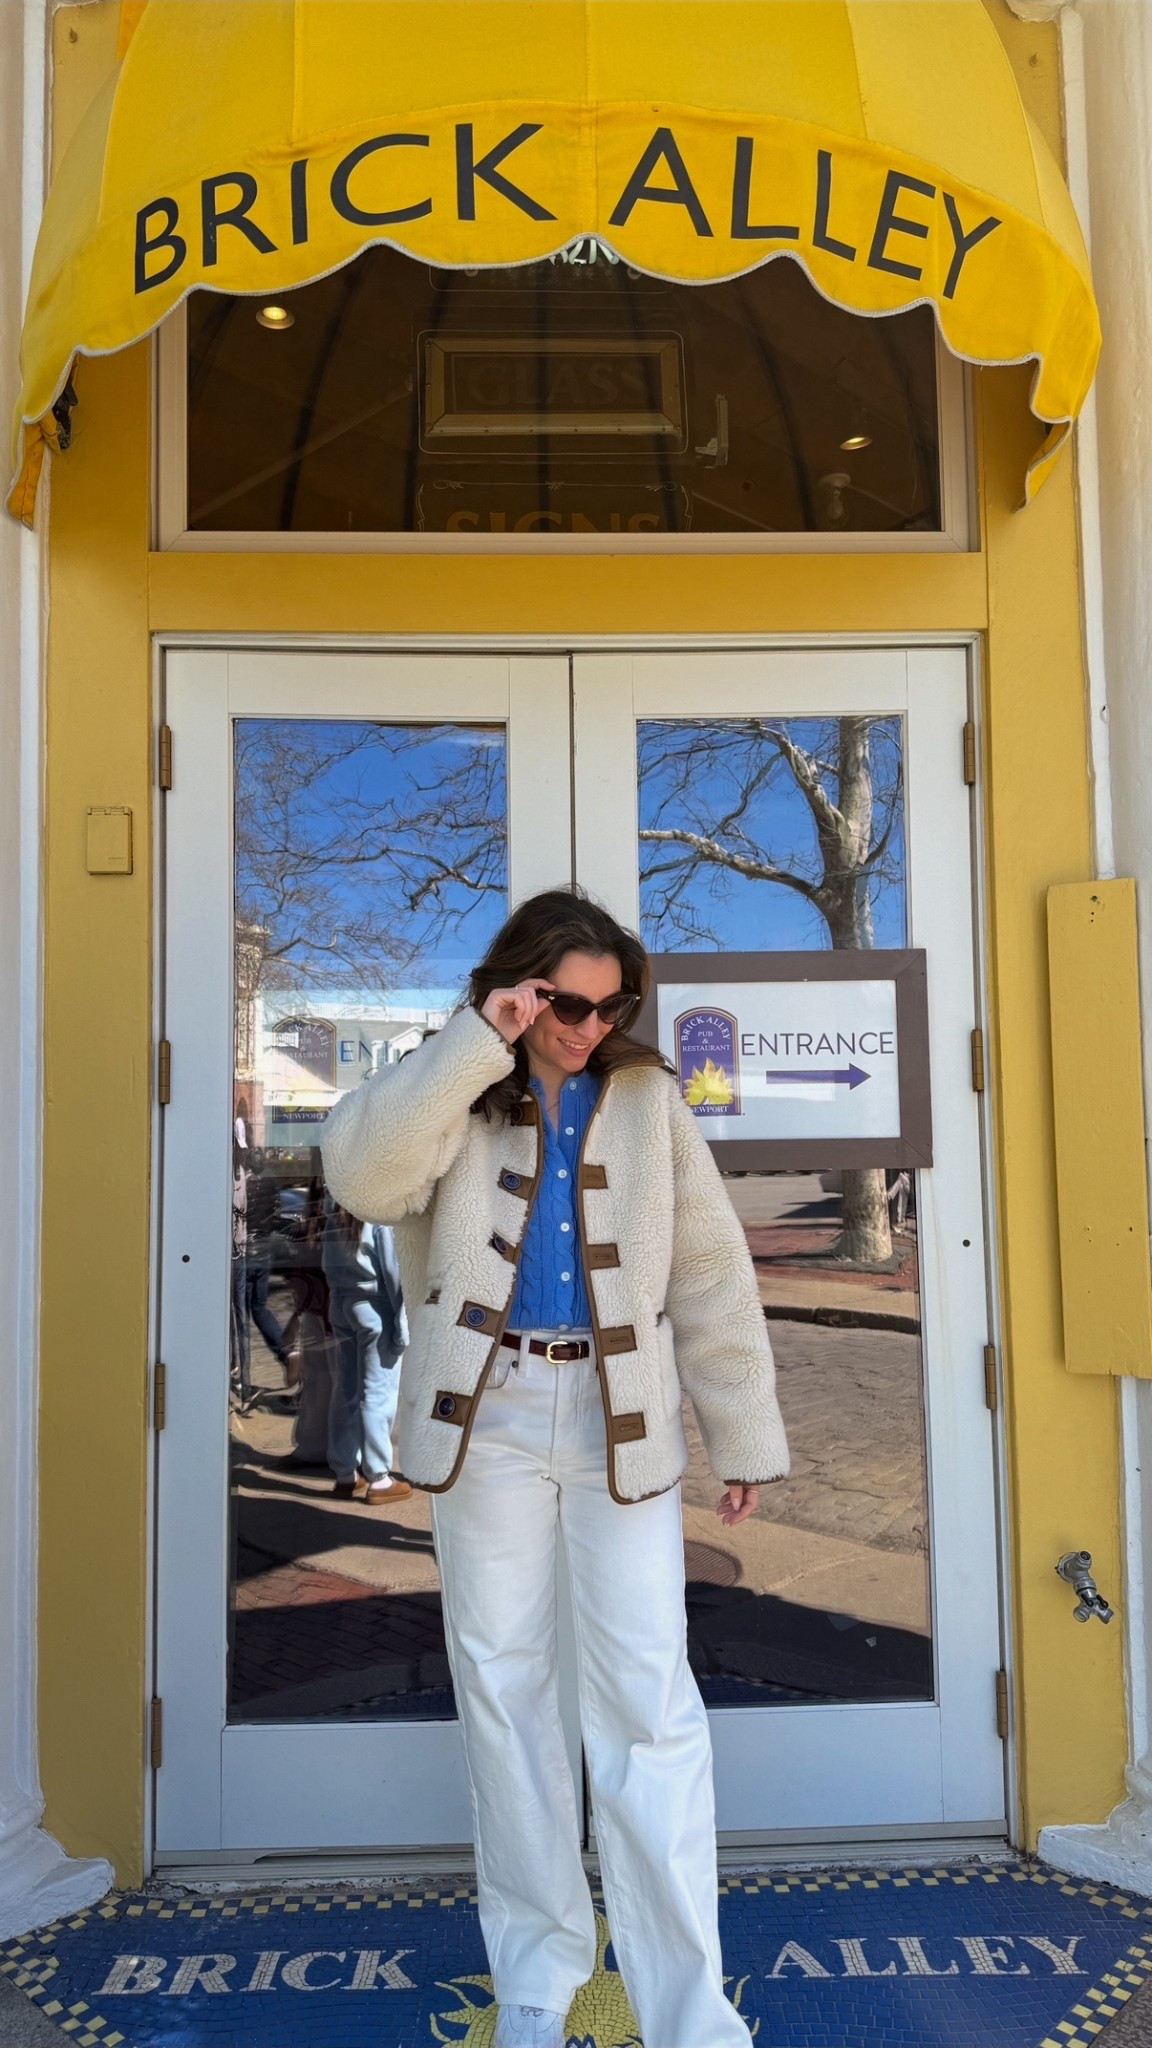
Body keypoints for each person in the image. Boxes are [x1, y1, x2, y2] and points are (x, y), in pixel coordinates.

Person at [322, 888, 789, 2048]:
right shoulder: (456, 1090)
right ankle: (539, 1975)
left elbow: (712, 1271)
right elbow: (363, 1176)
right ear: (522, 987)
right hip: (487, 1415)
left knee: (648, 1704)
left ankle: (689, 2008)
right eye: (567, 1001)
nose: (588, 1024)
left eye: (610, 1003)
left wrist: (743, 1431)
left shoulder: (645, 1098)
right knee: (505, 1689)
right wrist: (475, 1040)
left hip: (612, 1416)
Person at [321, 1198, 413, 1505]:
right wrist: (403, 1324)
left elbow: (325, 1264)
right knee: (378, 1392)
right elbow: (393, 1270)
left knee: (345, 1390)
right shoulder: (378, 1214)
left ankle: (345, 1473)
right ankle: (379, 1478)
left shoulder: (335, 1214)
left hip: (342, 1304)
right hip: (375, 1308)